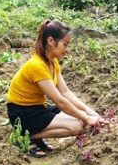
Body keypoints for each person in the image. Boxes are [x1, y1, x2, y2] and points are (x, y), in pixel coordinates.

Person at [6, 20, 108, 157]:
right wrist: (87, 118)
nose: (67, 49)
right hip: (23, 114)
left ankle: (33, 135)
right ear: (51, 41)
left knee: (81, 119)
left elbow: (66, 93)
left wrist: (93, 115)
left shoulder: (52, 62)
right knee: (77, 126)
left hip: (37, 109)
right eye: (65, 44)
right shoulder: (37, 66)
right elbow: (59, 101)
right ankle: (26, 136)